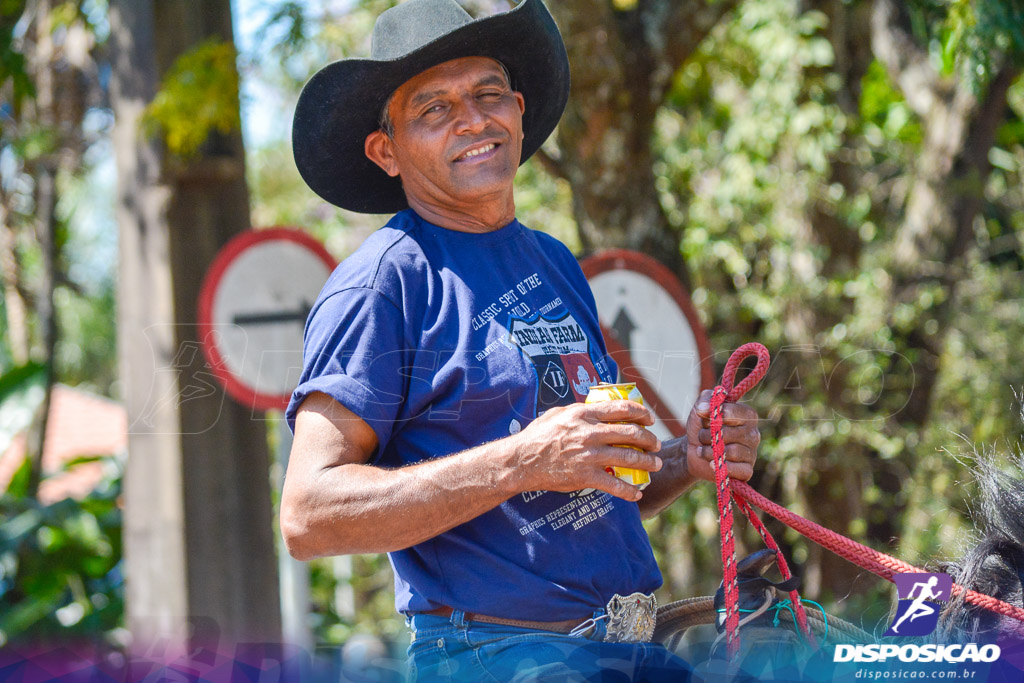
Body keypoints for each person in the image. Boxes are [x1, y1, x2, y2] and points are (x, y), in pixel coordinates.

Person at [282, 0, 762, 679]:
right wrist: (521, 460)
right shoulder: (384, 285)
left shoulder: (552, 260)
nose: (474, 121)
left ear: (518, 106)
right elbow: (308, 513)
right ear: (386, 150)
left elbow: (589, 485)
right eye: (435, 110)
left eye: (486, 94)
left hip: (629, 649)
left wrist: (687, 458)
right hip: (497, 657)